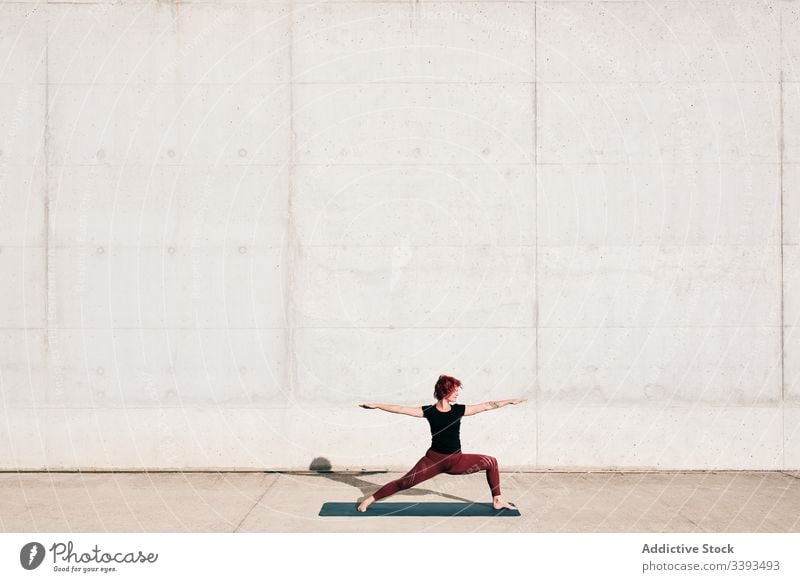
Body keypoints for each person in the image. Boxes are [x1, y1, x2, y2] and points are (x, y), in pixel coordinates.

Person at [357, 374, 526, 512]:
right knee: (404, 483)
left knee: (491, 462)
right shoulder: (428, 411)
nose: (458, 393)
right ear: (445, 391)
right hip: (432, 461)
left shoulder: (459, 409)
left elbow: (486, 406)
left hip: (456, 461)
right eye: (455, 390)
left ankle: (498, 500)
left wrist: (509, 401)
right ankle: (369, 500)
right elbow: (400, 409)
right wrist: (377, 405)